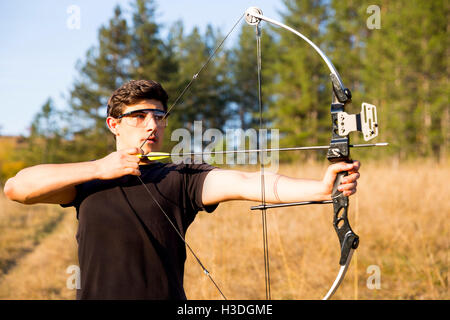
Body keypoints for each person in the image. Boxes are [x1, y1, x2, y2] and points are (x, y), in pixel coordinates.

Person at [3, 79, 360, 299]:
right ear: (114, 125)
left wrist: (320, 187)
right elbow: (17, 188)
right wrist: (99, 168)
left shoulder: (179, 177)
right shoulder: (87, 182)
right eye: (139, 116)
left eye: (159, 116)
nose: (152, 124)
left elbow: (247, 182)